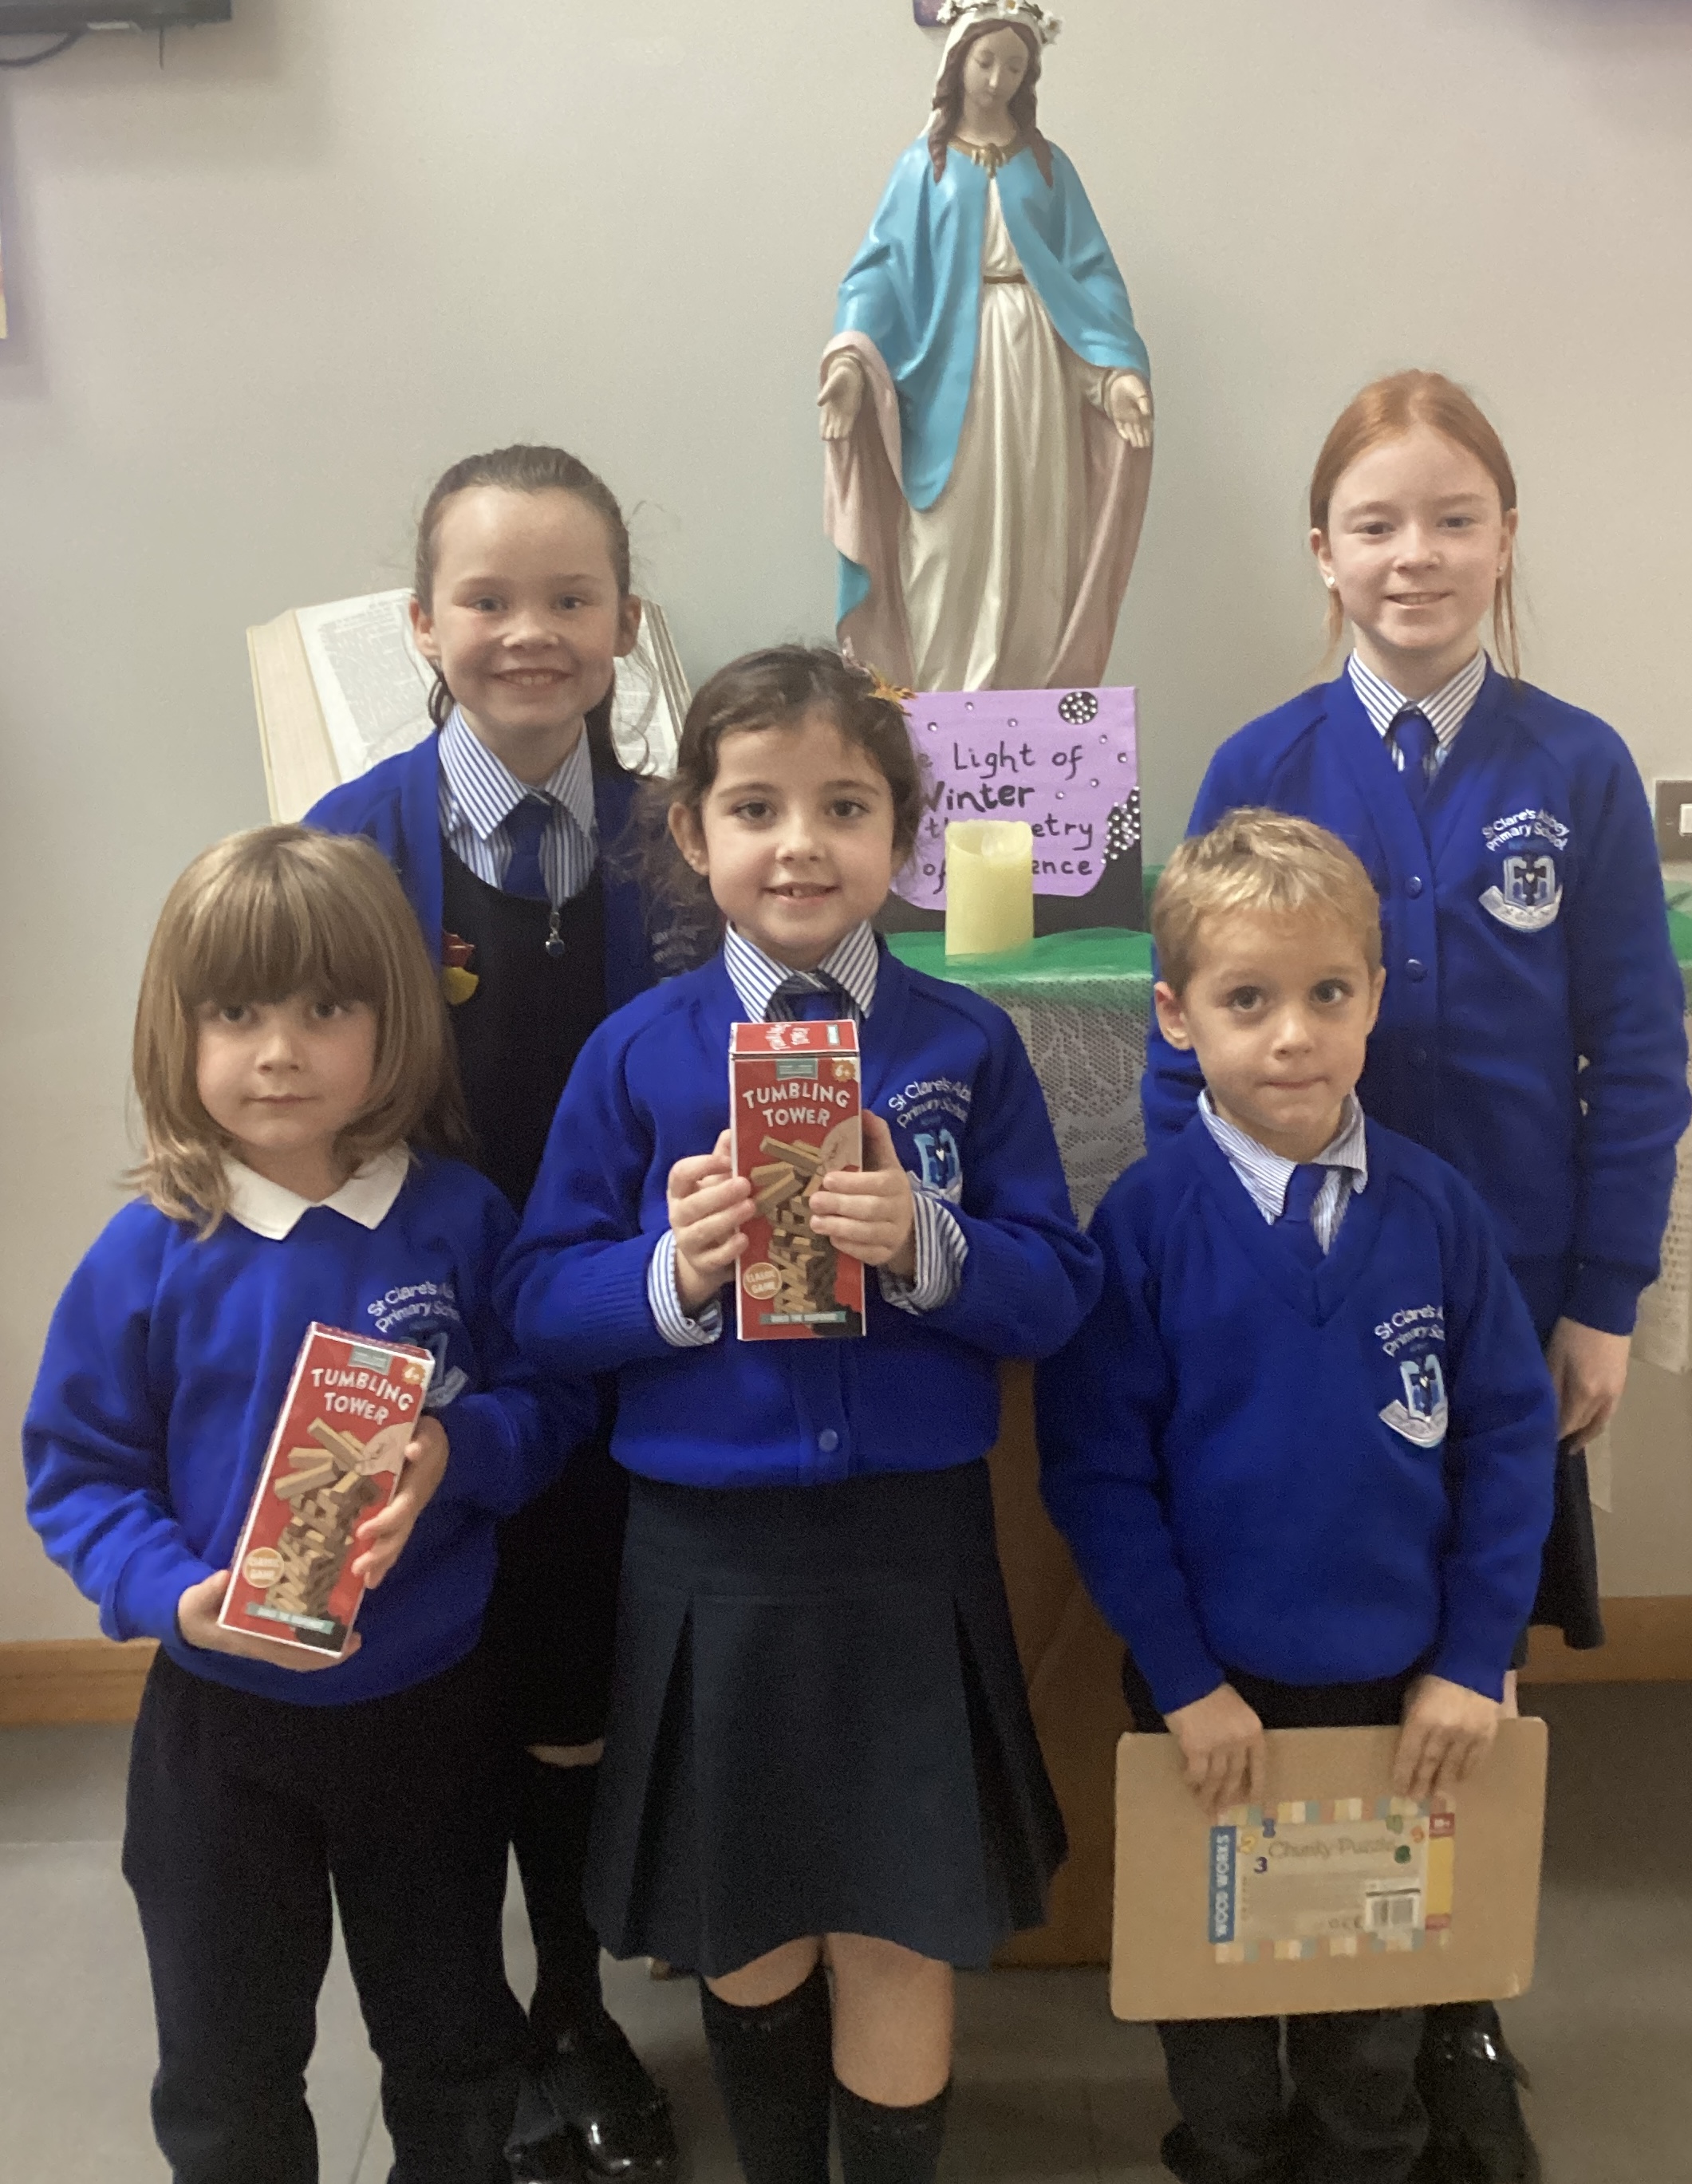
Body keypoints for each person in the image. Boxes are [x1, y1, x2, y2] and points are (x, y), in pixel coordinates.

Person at [1141, 371, 1692, 2182]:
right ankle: (1297, 2006)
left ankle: (1449, 2008)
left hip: (1503, 1296)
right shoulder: (1259, 763)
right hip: (1298, 1290)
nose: (1415, 554)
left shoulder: (1575, 768)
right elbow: (1174, 1060)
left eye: (1453, 518)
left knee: (1467, 1654)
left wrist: (1599, 1295)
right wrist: (1211, 1264)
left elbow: (1635, 1052)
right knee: (1315, 1641)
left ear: (1505, 539)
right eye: (1375, 522)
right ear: (1322, 551)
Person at [495, 645, 1101, 2184]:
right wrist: (672, 1271)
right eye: (755, 806)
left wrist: (931, 1245)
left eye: (843, 805)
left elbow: (1055, 1292)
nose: (799, 843)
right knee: (746, 1922)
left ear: (901, 832)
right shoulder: (636, 1053)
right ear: (690, 831)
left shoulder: (964, 1045)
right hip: (709, 1556)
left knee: (898, 1927)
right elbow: (538, 1300)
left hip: (909, 1552)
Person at [22, 826, 587, 2184]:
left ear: (396, 1024)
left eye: (326, 1008)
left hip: (429, 1712)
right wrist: (175, 1595)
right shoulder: (151, 1248)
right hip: (221, 1730)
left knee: (455, 2043)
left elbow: (554, 1404)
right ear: (179, 1031)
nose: (278, 1051)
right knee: (225, 2067)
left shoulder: (461, 1221)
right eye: (236, 1012)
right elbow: (79, 1472)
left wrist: (457, 1447)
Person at [1039, 809, 1560, 2184]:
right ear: (1175, 1015)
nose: (1292, 1036)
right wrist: (1184, 1679)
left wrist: (1473, 1656)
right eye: (1246, 1000)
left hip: (1401, 1698)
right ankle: (1227, 2156)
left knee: (1370, 2005)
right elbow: (1097, 1471)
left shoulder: (1439, 1214)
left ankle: (1366, 2157)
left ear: (1375, 997)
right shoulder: (1145, 1227)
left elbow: (1510, 1442)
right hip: (1212, 1701)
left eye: (1328, 993)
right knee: (1214, 1998)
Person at [306, 446, 682, 2184]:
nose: (529, 631)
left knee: (580, 1673)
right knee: (441, 1680)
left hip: (619, 1330)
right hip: (423, 1337)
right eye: (487, 597)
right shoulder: (348, 845)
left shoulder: (685, 842)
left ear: (624, 623)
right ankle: (462, 2033)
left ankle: (578, 2005)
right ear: (421, 623)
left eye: (569, 597)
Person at [821, 0, 1152, 692]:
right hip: (947, 367)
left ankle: (1027, 700)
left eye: (1014, 66)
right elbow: (880, 271)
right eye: (985, 61)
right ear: (957, 60)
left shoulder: (1048, 166)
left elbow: (1089, 275)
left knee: (1036, 538)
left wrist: (1113, 373)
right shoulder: (922, 167)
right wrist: (850, 360)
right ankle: (939, 704)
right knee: (944, 543)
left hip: (1036, 363)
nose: (997, 79)